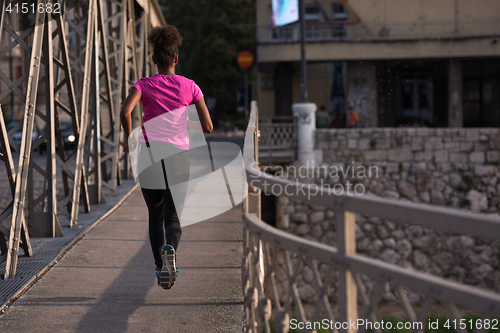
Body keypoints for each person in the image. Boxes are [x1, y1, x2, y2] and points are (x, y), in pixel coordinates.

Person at [120, 25, 213, 290]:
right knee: (173, 217)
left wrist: (129, 139)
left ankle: (160, 267)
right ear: (175, 58)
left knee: (155, 215)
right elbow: (207, 127)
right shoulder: (190, 86)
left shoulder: (143, 85)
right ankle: (171, 247)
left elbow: (126, 111)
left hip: (149, 156)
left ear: (153, 59)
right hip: (178, 156)